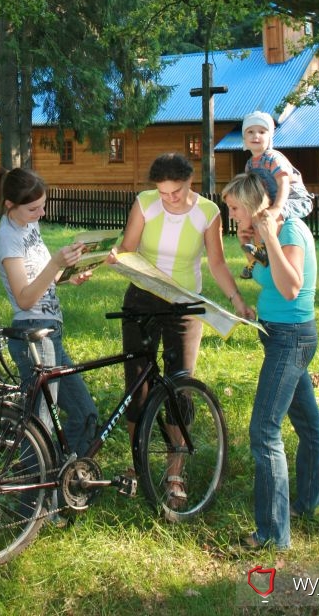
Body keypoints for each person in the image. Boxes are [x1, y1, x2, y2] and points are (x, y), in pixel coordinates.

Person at [111, 152, 254, 505]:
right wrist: (105, 259)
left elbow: (217, 263)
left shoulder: (208, 212)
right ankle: (137, 464)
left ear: (189, 183)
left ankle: (175, 472)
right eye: (162, 192)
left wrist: (236, 300)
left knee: (180, 383)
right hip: (142, 299)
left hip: (185, 304)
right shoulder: (145, 203)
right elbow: (127, 249)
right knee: (138, 384)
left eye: (175, 192)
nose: (168, 198)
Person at [222, 172, 319, 550]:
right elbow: (268, 275)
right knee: (307, 425)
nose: (232, 215)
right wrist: (249, 248)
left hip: (291, 339)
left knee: (264, 430)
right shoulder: (271, 232)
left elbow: (291, 287)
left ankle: (272, 534)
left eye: (235, 208)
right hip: (280, 337)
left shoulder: (290, 231)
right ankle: (315, 505)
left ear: (253, 206)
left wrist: (266, 235)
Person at [0, 167, 98, 463]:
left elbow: (40, 276)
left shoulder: (28, 226)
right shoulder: (7, 238)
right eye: (33, 208)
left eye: (43, 205)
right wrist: (55, 264)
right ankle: (35, 505)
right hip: (33, 334)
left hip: (50, 332)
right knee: (40, 428)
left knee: (85, 413)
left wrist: (68, 275)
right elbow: (24, 298)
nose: (41, 212)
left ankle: (63, 484)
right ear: (10, 205)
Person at [242, 111, 314, 223]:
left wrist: (277, 207)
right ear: (244, 138)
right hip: (271, 202)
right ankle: (256, 240)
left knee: (275, 216)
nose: (256, 136)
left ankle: (273, 240)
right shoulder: (250, 164)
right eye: (250, 132)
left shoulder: (273, 158)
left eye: (262, 132)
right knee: (254, 218)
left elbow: (283, 183)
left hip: (293, 200)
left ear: (270, 137)